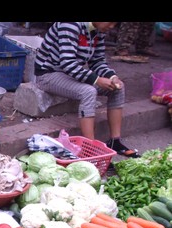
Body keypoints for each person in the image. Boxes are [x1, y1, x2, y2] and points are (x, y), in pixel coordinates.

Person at [34, 22, 139, 158]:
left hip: (71, 73)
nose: (112, 26)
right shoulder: (70, 25)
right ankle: (90, 149)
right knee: (88, 91)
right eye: (111, 22)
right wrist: (96, 80)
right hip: (48, 74)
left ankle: (115, 141)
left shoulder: (98, 29)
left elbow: (98, 61)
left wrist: (112, 77)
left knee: (118, 88)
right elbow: (67, 63)